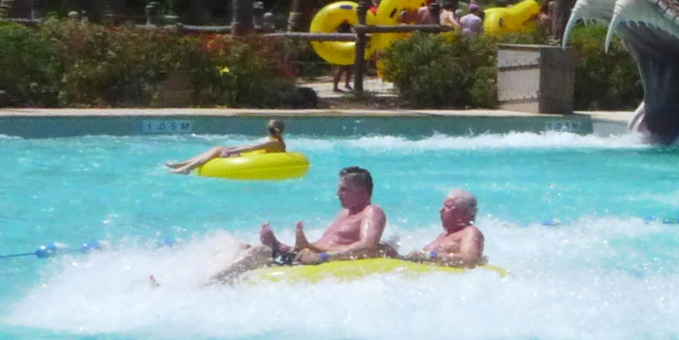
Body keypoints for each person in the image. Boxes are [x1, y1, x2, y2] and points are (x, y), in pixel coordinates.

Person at [214, 165, 388, 280]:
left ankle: (210, 287)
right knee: (240, 246)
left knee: (259, 252)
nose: (338, 193)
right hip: (312, 258)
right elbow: (322, 247)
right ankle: (216, 282)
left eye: (344, 189)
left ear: (363, 191)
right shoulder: (345, 213)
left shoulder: (371, 211)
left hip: (327, 263)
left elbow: (368, 246)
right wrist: (281, 245)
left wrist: (323, 257)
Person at [165, 119, 286, 174]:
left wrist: (231, 150)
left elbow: (251, 148)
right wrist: (233, 148)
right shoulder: (280, 142)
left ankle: (188, 167)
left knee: (218, 149)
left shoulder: (273, 142)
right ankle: (185, 165)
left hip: (249, 160)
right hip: (255, 158)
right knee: (218, 148)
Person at [402, 188, 487, 267]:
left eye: (447, 206)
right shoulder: (444, 235)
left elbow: (470, 260)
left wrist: (430, 256)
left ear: (462, 212)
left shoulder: (470, 232)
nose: (441, 210)